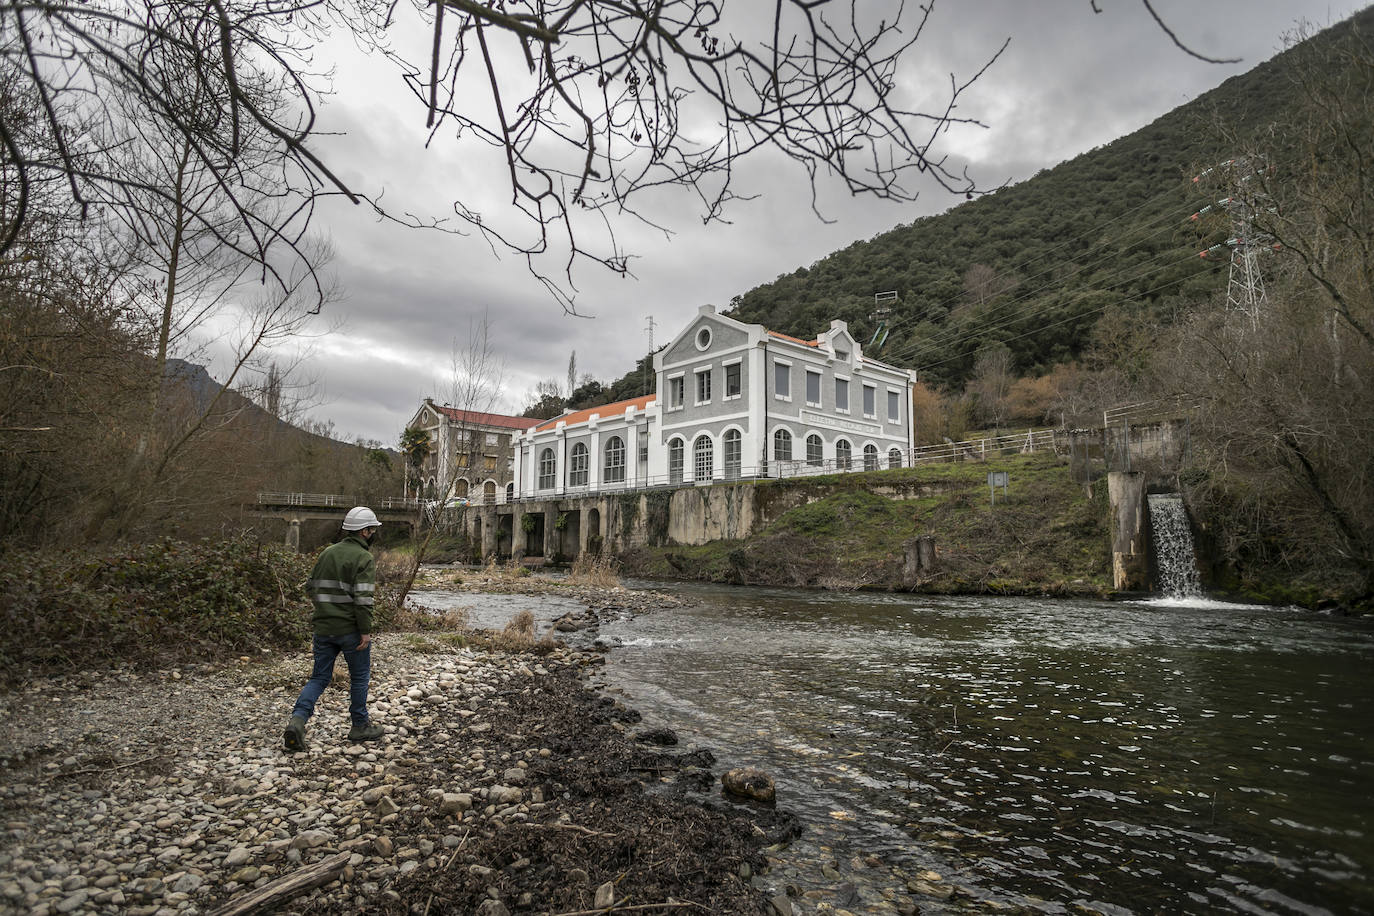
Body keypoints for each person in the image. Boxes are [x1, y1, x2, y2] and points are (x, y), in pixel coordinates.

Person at [284, 506, 384, 751]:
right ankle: (359, 726)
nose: (374, 533)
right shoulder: (364, 558)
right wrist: (365, 631)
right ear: (365, 532)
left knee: (319, 677)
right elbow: (363, 601)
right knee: (359, 677)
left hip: (323, 628)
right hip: (350, 630)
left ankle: (297, 721)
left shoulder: (327, 553)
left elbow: (310, 587)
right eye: (372, 529)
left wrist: (326, 609)